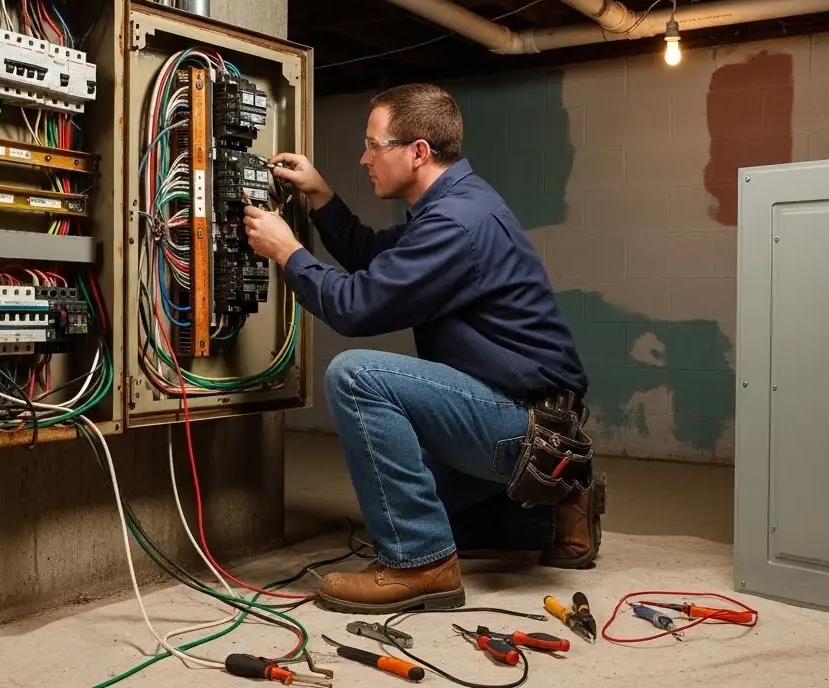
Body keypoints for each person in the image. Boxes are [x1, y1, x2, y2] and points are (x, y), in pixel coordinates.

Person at [242, 82, 604, 614]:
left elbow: (357, 306)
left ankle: (420, 565)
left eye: (374, 145)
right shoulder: (454, 206)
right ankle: (556, 511)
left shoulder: (457, 223)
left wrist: (288, 251)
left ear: (418, 152)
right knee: (408, 505)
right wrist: (320, 196)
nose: (364, 158)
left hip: (524, 424)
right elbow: (372, 256)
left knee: (355, 375)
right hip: (531, 422)